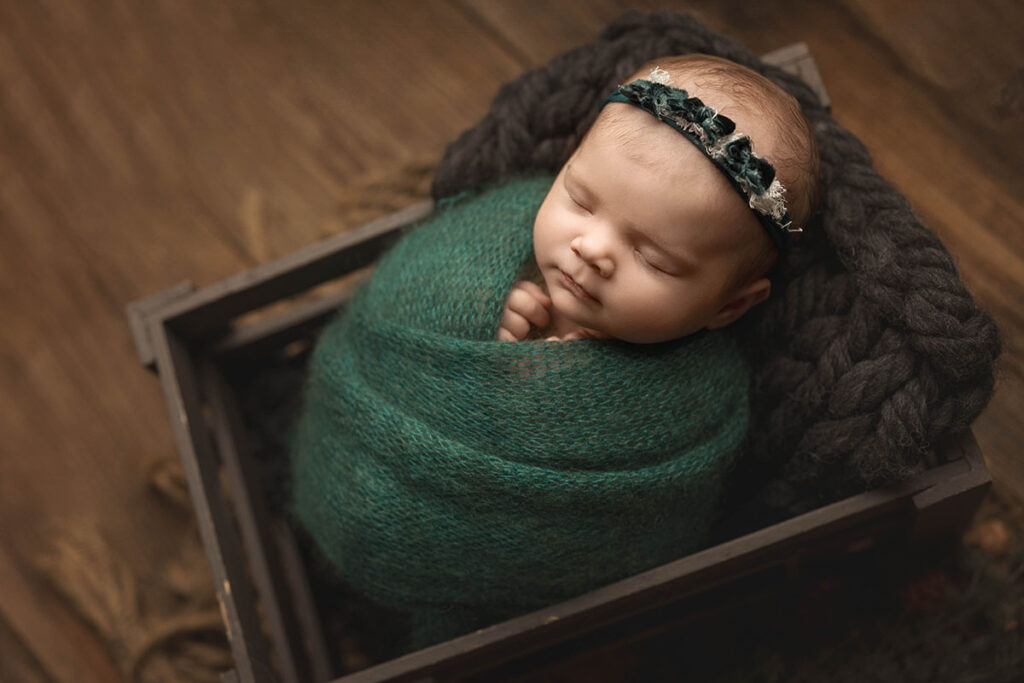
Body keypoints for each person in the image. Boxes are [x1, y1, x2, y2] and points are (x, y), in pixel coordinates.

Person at [498, 54, 820, 343]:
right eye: (580, 201)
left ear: (728, 307)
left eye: (653, 259)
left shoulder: (687, 391)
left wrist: (540, 393)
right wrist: (487, 311)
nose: (592, 250)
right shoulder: (502, 243)